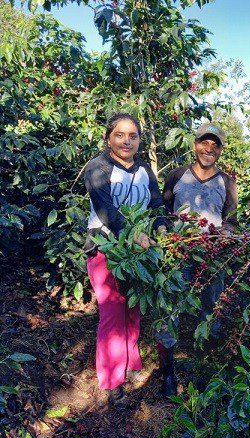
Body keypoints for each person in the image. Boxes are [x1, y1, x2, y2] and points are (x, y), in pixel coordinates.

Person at [84, 112, 167, 404]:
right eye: (119, 135)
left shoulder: (144, 170)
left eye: (133, 135)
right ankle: (111, 382)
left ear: (140, 140)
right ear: (109, 137)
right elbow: (106, 209)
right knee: (113, 314)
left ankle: (131, 365)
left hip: (139, 253)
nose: (126, 141)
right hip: (107, 249)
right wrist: (132, 233)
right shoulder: (98, 168)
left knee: (133, 310)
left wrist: (161, 227)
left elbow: (156, 203)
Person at [161, 122, 238, 396]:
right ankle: (168, 373)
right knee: (171, 308)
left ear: (220, 150)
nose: (209, 148)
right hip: (179, 253)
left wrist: (227, 232)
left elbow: (231, 219)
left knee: (212, 307)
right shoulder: (177, 175)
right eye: (204, 143)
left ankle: (204, 365)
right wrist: (166, 235)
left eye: (215, 145)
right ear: (195, 145)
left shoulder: (227, 182)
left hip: (212, 256)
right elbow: (164, 210)